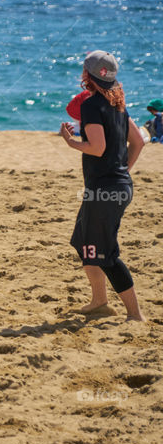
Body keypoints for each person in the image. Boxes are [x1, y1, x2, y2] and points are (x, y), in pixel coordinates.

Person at [60, 50, 145, 321]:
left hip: (105, 192)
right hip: (115, 187)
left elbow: (97, 148)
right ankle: (99, 301)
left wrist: (70, 141)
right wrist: (123, 171)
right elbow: (139, 142)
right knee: (83, 242)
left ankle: (135, 315)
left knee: (106, 253)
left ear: (87, 75)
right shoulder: (118, 104)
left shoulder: (92, 105)